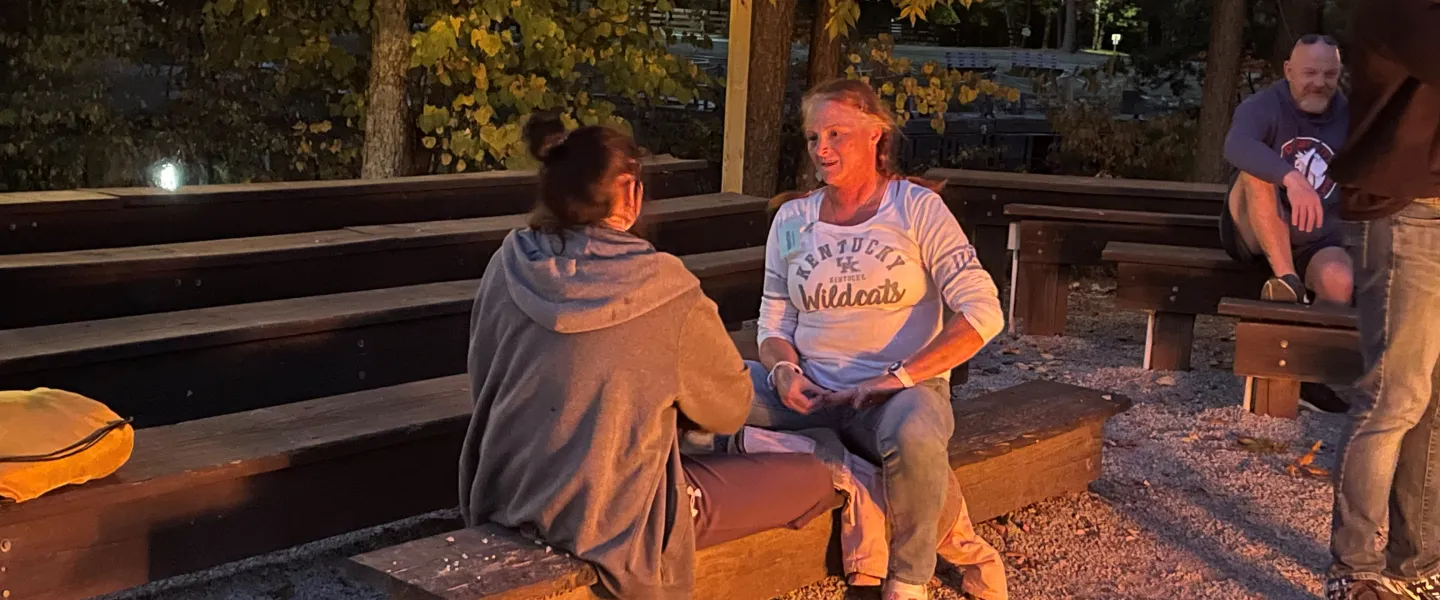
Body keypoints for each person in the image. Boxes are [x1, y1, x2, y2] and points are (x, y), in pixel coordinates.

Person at [458, 114, 837, 600]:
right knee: (814, 477)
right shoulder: (664, 285)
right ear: (630, 193)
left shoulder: (508, 261)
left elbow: (483, 377)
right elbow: (728, 410)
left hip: (504, 491)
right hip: (613, 520)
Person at [749, 78, 1006, 600]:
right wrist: (782, 370)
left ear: (875, 134)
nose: (821, 149)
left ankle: (909, 576)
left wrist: (898, 379)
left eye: (836, 134)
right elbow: (773, 323)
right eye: (813, 137)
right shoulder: (793, 220)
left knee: (914, 433)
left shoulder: (916, 209)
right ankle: (839, 462)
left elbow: (984, 311)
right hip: (809, 391)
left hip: (896, 394)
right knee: (696, 396)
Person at [1323, 1, 1440, 598]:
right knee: (1394, 398)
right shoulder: (1400, 8)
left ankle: (1417, 565)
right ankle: (1355, 570)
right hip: (1406, 215)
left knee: (1432, 405)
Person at [1220, 34, 1353, 414]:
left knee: (1339, 279)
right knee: (1256, 170)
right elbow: (1236, 146)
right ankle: (1287, 282)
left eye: (1329, 74)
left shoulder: (1349, 115)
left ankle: (1309, 375)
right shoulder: (1263, 105)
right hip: (1253, 229)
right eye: (1310, 73)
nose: (1319, 83)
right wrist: (1291, 178)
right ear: (1289, 71)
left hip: (1314, 237)